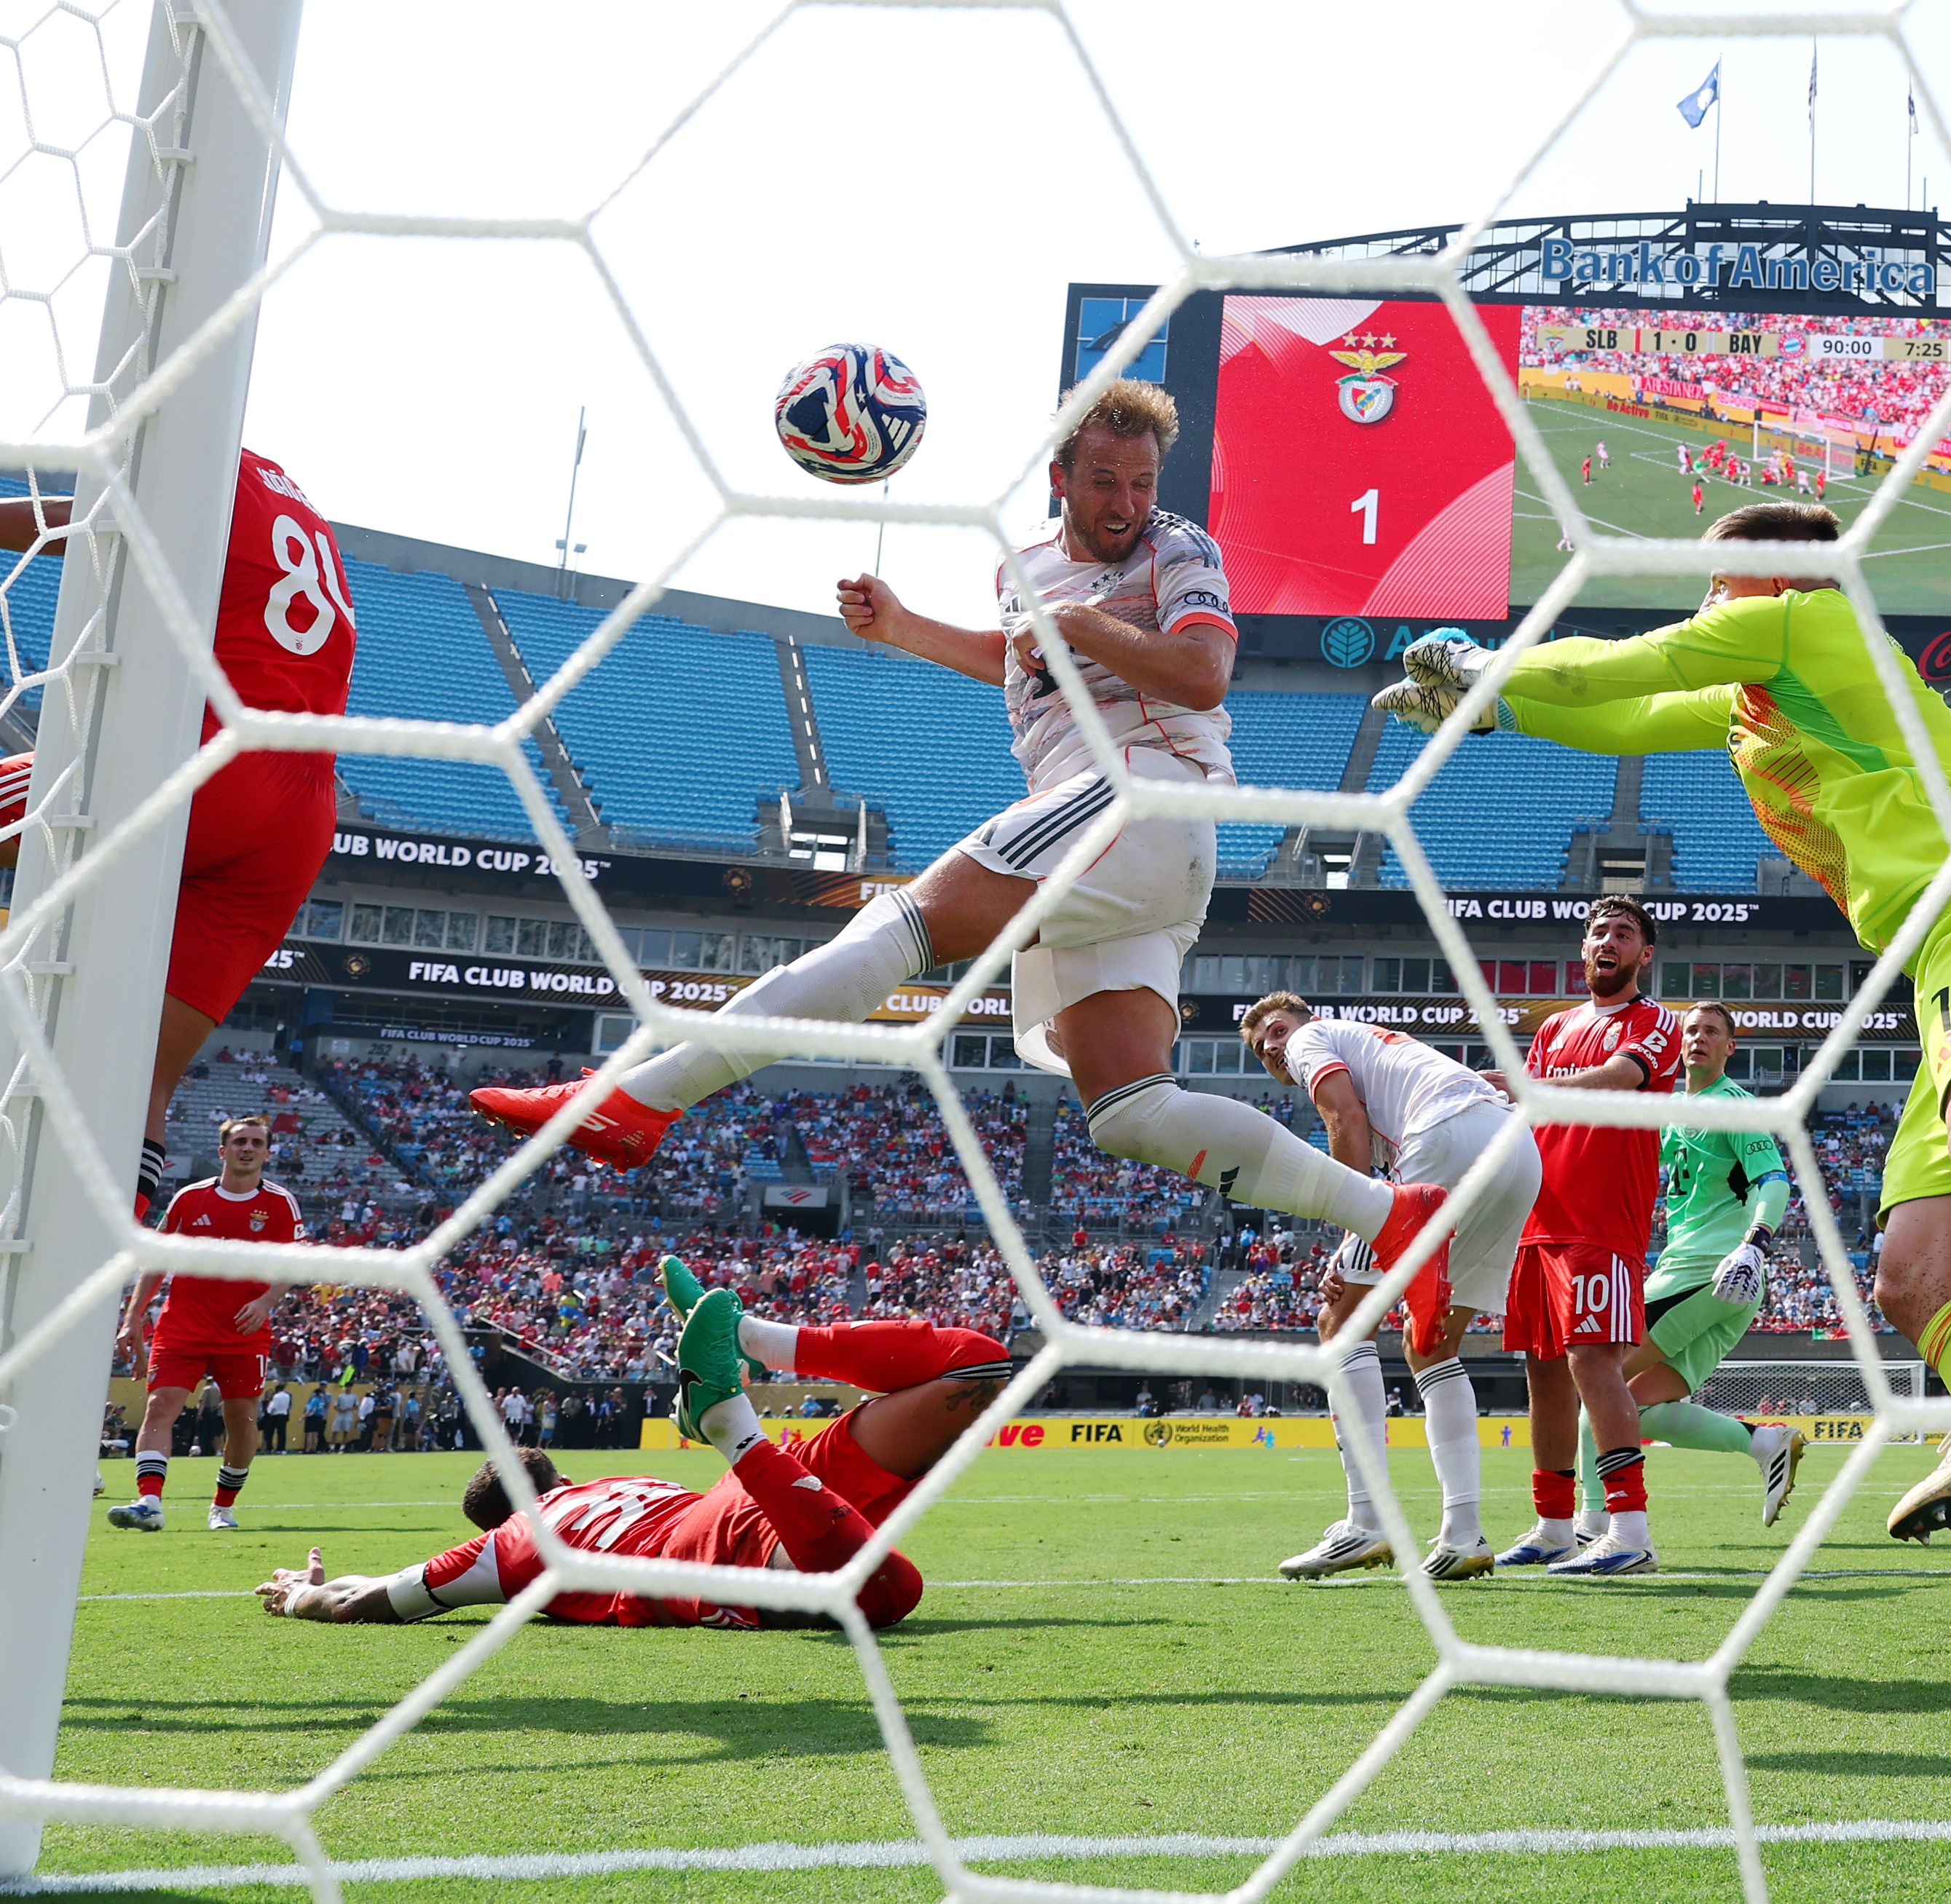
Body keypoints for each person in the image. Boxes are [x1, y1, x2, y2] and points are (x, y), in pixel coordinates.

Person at [1378, 507, 1951, 1693]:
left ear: (1768, 574)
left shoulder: (1805, 622)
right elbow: (1625, 713)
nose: (1705, 599)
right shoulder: (1753, 695)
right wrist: (1499, 709)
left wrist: (1491, 665)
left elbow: (1640, 665)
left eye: (1717, 580)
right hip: (1939, 956)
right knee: (1916, 1275)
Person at [465, 382, 1446, 1281]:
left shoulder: (1177, 549)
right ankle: (1390, 1213)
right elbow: (1020, 656)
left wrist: (1082, 623)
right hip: (1128, 848)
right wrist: (902, 627)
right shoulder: (1021, 562)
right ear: (1060, 475)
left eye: (1140, 482)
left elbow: (1202, 675)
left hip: (1143, 796)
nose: (1124, 502)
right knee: (1131, 1111)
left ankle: (643, 1097)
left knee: (901, 926)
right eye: (1103, 479)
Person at [0, 453, 356, 1223]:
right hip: (300, 810)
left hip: (204, 760)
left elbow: (76, 520)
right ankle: (89, 1298)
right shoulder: (300, 505)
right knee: (145, 1082)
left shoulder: (197, 441)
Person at [257, 1268, 1009, 1630]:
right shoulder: (621, 1480)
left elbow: (375, 1598)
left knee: (886, 1593)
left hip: (700, 1549)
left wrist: (302, 1593)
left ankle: (730, 1423)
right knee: (978, 1370)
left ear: (492, 1523)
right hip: (736, 1502)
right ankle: (755, 1341)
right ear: (562, 1471)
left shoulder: (513, 1545)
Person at [1242, 995, 1542, 1581]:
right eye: (1262, 1048)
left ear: (1305, 1023)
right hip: (1514, 1154)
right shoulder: (1380, 1056)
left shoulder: (1315, 1040)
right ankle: (1463, 1533)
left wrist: (1346, 1227)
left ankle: (1367, 1520)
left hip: (1448, 1140)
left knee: (1340, 1320)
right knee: (1430, 1344)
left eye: (1277, 1031)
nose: (1274, 1047)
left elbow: (1344, 1121)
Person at [1483, 899, 1682, 1579]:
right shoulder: (1555, 1027)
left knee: (1592, 1362)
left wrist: (1524, 1085)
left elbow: (1618, 1080)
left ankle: (1630, 1529)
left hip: (1602, 1221)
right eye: (1600, 932)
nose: (1609, 941)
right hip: (1537, 1220)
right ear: (1583, 947)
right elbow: (1526, 1117)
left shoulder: (1657, 1023)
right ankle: (1554, 1526)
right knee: (1542, 1373)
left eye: (1624, 934)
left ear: (1643, 955)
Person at [1600, 1001, 1806, 1528]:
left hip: (1711, 1272)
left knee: (1596, 1381)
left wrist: (1755, 1243)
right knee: (1634, 1405)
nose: (1698, 1038)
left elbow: (1776, 1179)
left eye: (1712, 1031)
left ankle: (1588, 1524)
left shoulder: (1733, 1105)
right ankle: (1763, 1441)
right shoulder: (1673, 1112)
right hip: (1709, 1282)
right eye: (1691, 1030)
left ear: (1729, 1047)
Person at [107, 1113, 302, 1531]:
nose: (247, 1148)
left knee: (242, 1419)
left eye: (255, 1142)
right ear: (222, 1151)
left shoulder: (280, 1203)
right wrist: (133, 1316)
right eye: (238, 1141)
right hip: (183, 1327)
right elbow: (158, 1259)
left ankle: (222, 1506)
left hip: (244, 1331)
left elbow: (295, 1260)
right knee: (160, 1406)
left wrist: (267, 1301)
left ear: (267, 1153)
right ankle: (149, 1503)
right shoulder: (189, 1199)